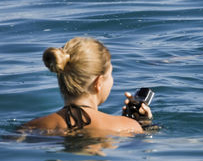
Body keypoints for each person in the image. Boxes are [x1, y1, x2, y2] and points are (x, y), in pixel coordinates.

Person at [20, 37, 152, 136]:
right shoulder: (127, 126)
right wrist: (144, 124)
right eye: (111, 74)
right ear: (98, 82)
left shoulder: (31, 127)